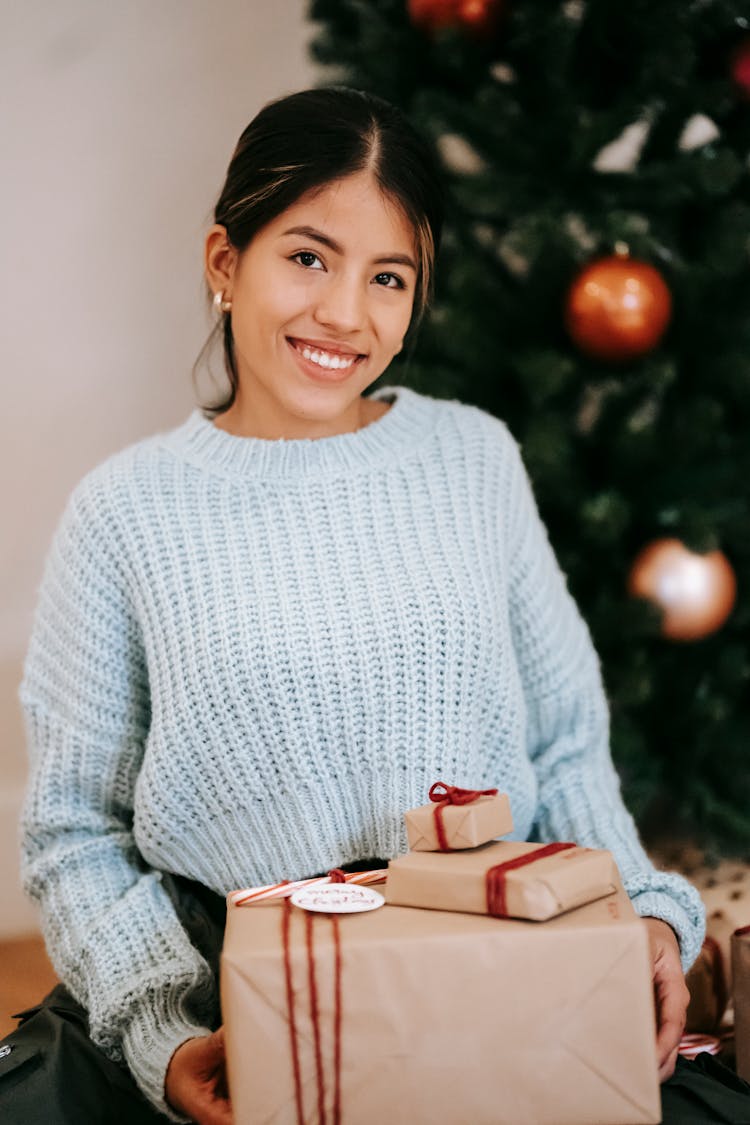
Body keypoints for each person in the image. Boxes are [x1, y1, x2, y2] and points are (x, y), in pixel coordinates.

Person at [2, 85, 747, 1125]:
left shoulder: (472, 458)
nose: (346, 314)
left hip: (500, 967)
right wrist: (162, 1030)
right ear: (226, 263)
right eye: (308, 256)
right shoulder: (123, 514)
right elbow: (76, 831)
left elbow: (568, 747)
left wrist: (648, 921)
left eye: (388, 276)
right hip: (246, 988)